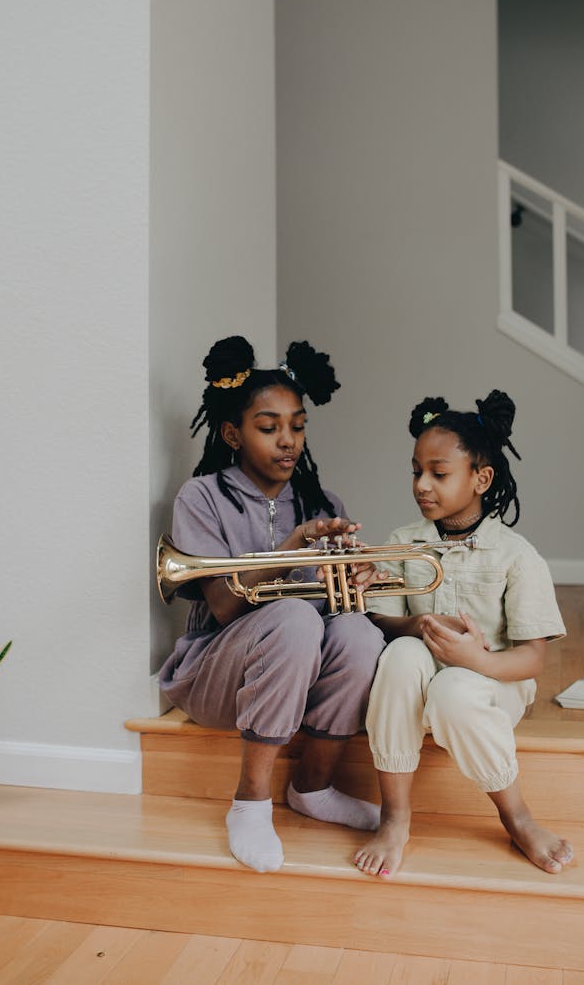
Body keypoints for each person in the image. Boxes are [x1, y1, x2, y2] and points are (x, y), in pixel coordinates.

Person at [159, 334, 387, 873]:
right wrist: (295, 546)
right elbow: (223, 606)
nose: (288, 441)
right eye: (269, 428)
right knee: (290, 616)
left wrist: (361, 581)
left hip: (297, 680)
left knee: (359, 633)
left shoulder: (323, 502)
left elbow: (338, 611)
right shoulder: (203, 496)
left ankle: (313, 787)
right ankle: (250, 803)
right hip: (217, 675)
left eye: (298, 426)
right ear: (233, 434)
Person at [355, 390, 574, 879]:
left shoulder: (516, 555)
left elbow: (532, 658)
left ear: (481, 478)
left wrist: (479, 661)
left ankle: (516, 816)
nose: (422, 485)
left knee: (453, 688)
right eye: (416, 471)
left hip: (493, 683)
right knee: (401, 654)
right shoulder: (401, 542)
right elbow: (382, 623)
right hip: (419, 679)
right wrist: (417, 626)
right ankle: (394, 817)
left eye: (439, 473)